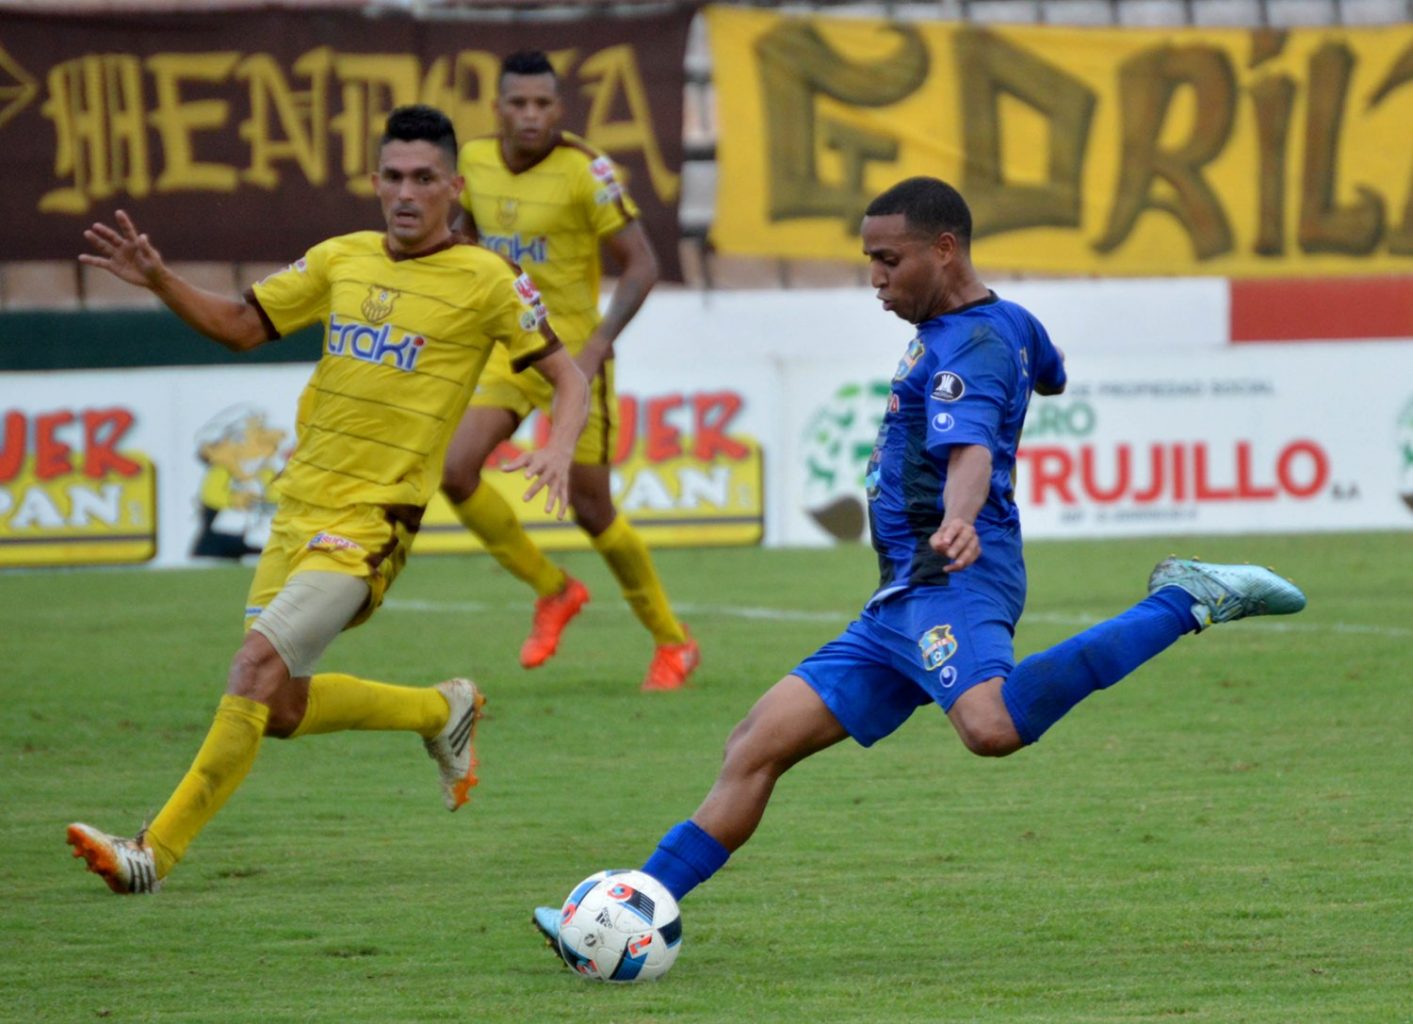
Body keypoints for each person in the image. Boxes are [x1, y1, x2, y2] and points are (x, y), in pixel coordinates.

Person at [531, 176, 1307, 958]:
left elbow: (969, 450)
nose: (874, 278)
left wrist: (959, 517)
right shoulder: (1002, 324)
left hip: (953, 574)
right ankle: (629, 909)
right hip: (901, 595)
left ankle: (1181, 599)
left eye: (887, 260)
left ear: (943, 250)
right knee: (755, 744)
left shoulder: (970, 346)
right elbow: (1050, 370)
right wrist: (1031, 382)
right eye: (869, 260)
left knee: (989, 726)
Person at [66, 104, 589, 895]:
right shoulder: (341, 258)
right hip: (298, 509)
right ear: (375, 181)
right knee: (277, 706)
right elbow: (241, 325)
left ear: (453, 187)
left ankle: (152, 852)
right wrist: (161, 280)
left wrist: (557, 447)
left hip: (372, 522)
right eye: (393, 177)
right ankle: (439, 711)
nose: (406, 193)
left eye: (423, 179)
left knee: (252, 665)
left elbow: (567, 376)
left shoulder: (486, 279)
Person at [441, 49, 699, 692]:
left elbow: (642, 265)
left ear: (559, 108)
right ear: (497, 108)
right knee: (454, 469)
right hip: (507, 350)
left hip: (573, 359)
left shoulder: (588, 170)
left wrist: (598, 345)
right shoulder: (473, 161)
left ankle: (673, 641)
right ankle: (553, 589)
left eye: (542, 103)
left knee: (591, 506)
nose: (531, 115)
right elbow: (464, 237)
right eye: (518, 103)